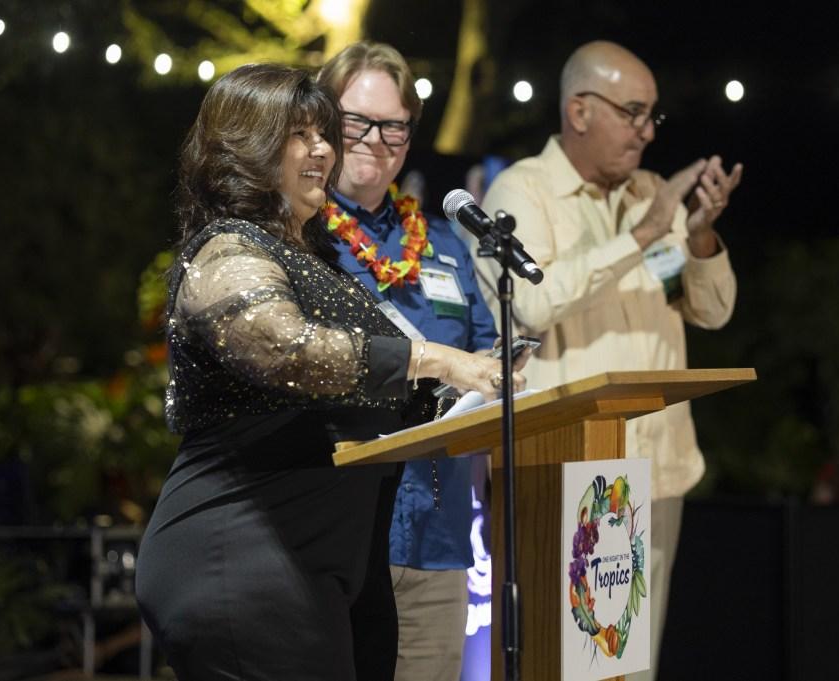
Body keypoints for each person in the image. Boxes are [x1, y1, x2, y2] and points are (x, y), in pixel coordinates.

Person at [134, 63, 523, 681]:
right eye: (298, 134)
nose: (322, 149)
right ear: (246, 147)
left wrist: (460, 397)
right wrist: (432, 358)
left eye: (323, 133)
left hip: (317, 565)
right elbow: (287, 350)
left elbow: (359, 393)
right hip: (242, 554)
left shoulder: (310, 262)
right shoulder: (226, 250)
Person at [474, 41, 743, 680]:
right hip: (569, 472)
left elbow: (714, 311)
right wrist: (643, 233)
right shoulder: (523, 191)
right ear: (580, 110)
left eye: (653, 116)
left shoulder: (652, 195)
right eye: (633, 113)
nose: (647, 132)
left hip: (659, 469)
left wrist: (699, 236)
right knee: (567, 666)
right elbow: (533, 304)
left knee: (634, 669)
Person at [317, 42, 499, 681]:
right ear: (321, 120)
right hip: (330, 535)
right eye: (357, 121)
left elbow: (486, 353)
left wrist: (497, 370)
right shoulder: (295, 238)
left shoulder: (443, 243)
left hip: (435, 535)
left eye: (393, 125)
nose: (375, 139)